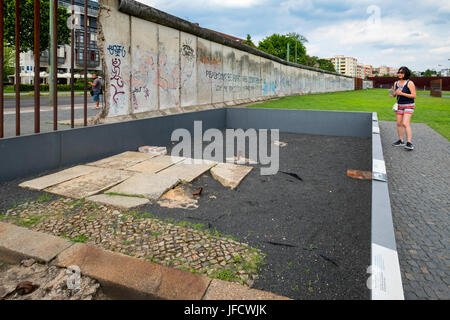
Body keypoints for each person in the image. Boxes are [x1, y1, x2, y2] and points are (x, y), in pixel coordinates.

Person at [390, 66, 416, 150]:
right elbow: (394, 94)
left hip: (409, 105)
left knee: (405, 123)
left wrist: (401, 93)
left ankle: (409, 143)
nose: (399, 74)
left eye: (402, 72)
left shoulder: (410, 83)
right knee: (399, 123)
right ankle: (401, 141)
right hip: (400, 105)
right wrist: (392, 94)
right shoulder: (396, 83)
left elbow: (414, 95)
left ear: (406, 73)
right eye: (399, 72)